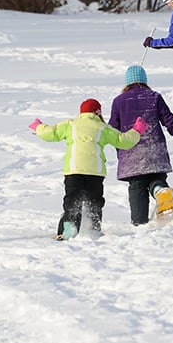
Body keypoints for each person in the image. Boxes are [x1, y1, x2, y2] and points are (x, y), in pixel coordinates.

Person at [29, 98, 148, 240]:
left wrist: (38, 127)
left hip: (74, 171)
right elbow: (123, 141)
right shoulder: (102, 128)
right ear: (98, 113)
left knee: (72, 201)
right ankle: (94, 228)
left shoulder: (70, 125)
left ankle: (70, 229)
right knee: (95, 201)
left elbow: (51, 133)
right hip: (95, 173)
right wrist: (136, 130)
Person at [109, 65, 173, 225]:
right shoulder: (155, 97)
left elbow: (112, 129)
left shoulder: (118, 102)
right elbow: (169, 120)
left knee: (137, 184)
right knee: (156, 177)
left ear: (127, 82)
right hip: (155, 149)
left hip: (131, 152)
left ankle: (139, 222)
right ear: (144, 80)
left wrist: (118, 147)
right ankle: (161, 191)